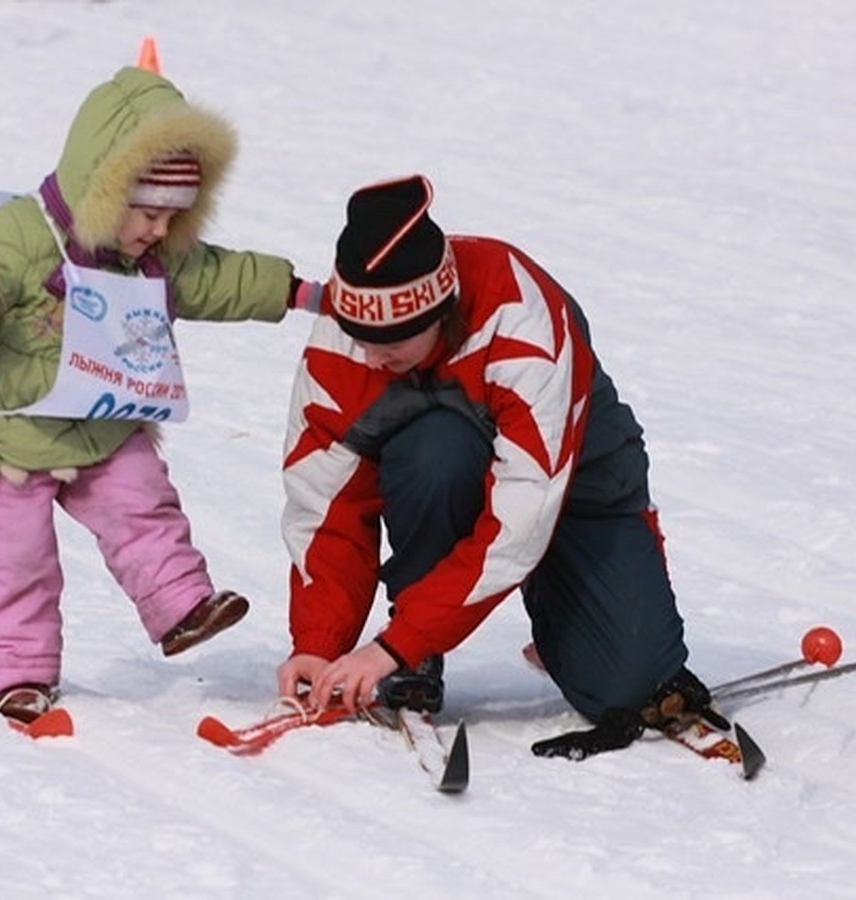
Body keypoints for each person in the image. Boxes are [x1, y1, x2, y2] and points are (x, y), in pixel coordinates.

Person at [0, 66, 322, 724]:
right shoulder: (20, 237)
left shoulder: (150, 257)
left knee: (143, 504)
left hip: (101, 422)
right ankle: (17, 675)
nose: (159, 230)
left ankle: (181, 606)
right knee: (14, 562)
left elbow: (219, 277)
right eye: (148, 212)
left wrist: (301, 293)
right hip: (2, 436)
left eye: (173, 217)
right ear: (103, 189)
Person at [275, 174, 718, 761]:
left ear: (442, 309)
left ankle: (556, 611)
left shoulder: (521, 319)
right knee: (433, 452)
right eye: (360, 337)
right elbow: (325, 504)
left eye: (393, 342)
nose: (372, 355)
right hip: (446, 471)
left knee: (628, 685)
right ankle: (423, 644)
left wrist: (388, 647)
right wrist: (321, 642)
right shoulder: (346, 339)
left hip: (571, 489)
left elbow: (521, 519)